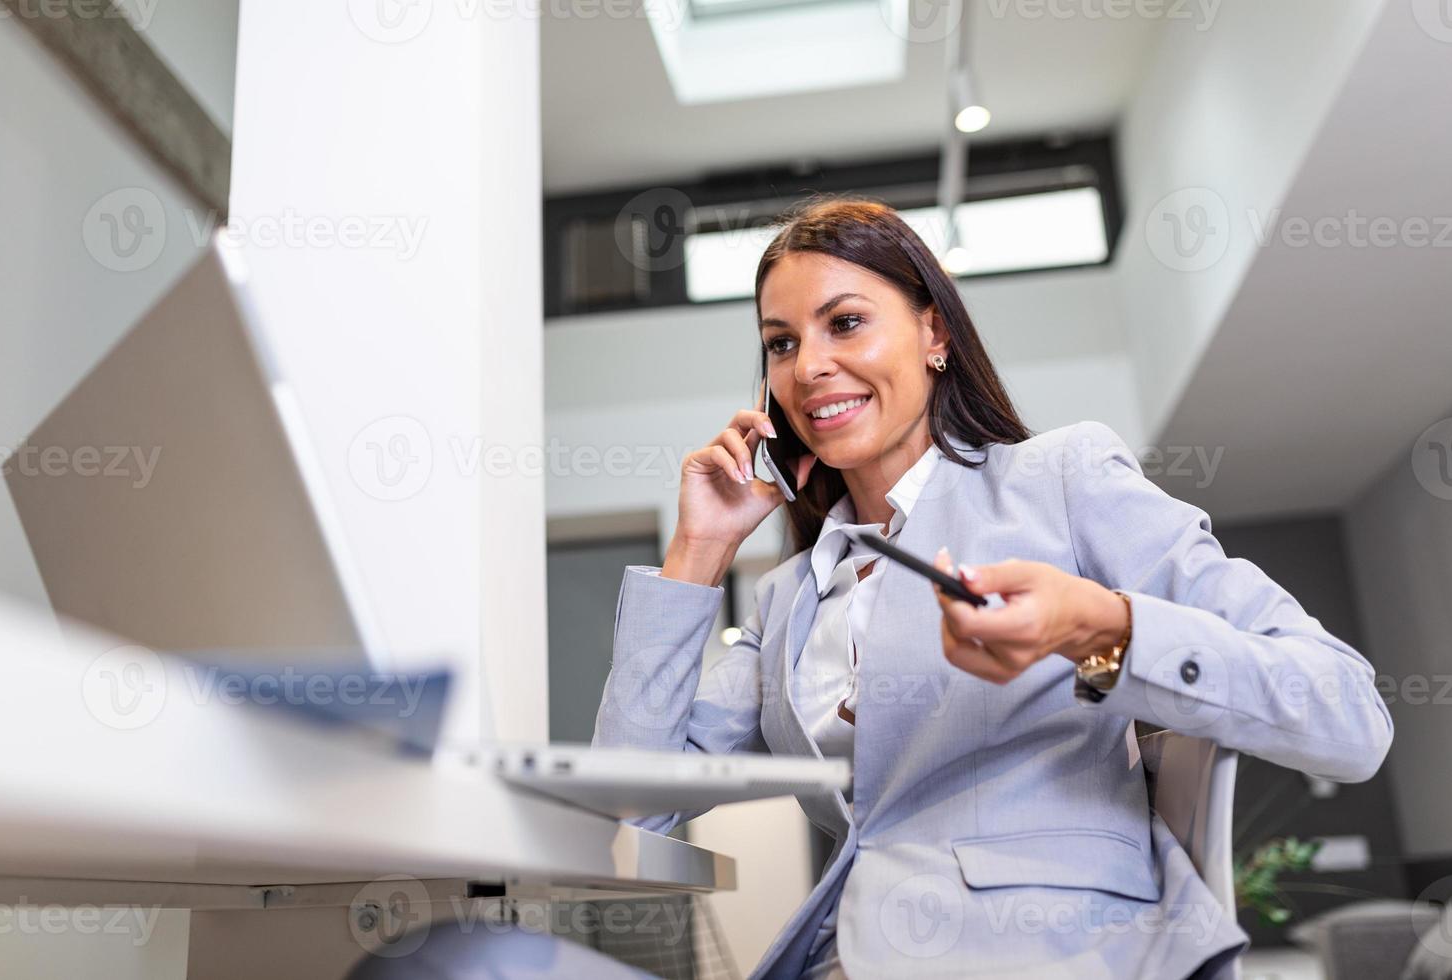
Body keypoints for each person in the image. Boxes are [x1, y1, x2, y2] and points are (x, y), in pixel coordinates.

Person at [589, 197, 1394, 979]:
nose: (809, 367)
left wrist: (1102, 628)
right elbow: (634, 809)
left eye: (846, 322)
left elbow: (1347, 713)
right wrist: (698, 551)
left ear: (933, 331)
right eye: (780, 343)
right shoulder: (792, 596)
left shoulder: (1060, 481)